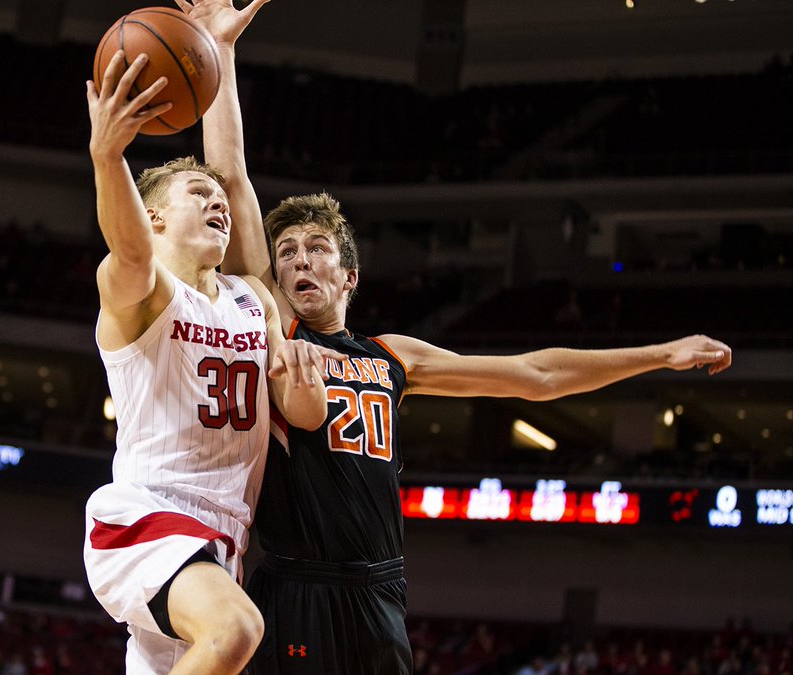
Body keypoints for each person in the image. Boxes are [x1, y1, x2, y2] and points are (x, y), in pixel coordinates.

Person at [182, 1, 735, 673]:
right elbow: (232, 177)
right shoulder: (275, 326)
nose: (298, 259)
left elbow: (537, 375)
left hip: (380, 591)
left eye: (316, 248)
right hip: (298, 584)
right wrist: (220, 53)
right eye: (288, 251)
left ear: (349, 275)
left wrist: (661, 354)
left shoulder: (393, 355)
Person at [82, 39, 345, 675]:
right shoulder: (141, 293)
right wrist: (107, 156)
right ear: (153, 216)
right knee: (236, 629)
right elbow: (130, 251)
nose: (217, 201)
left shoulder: (253, 296)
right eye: (197, 193)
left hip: (223, 541)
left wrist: (304, 380)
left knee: (216, 647)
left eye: (217, 197)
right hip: (146, 516)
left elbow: (304, 416)